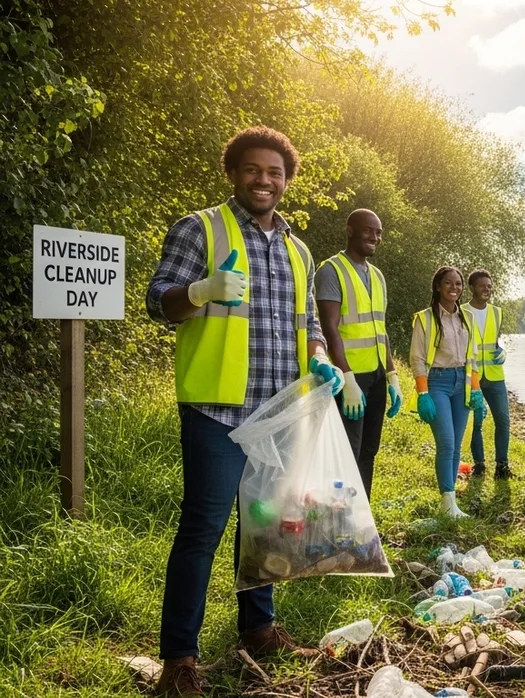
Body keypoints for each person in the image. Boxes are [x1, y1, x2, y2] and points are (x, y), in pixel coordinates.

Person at [147, 126, 339, 696]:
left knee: (266, 526)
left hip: (279, 409)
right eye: (254, 170)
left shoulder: (298, 250)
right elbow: (159, 302)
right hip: (216, 408)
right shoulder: (199, 229)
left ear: (287, 180)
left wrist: (323, 358)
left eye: (275, 172)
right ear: (234, 172)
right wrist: (202, 291)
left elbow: (307, 324)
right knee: (203, 529)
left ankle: (258, 627)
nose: (265, 180)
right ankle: (179, 659)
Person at [315, 209, 402, 498]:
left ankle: (360, 515)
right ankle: (338, 517)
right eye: (368, 230)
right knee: (346, 451)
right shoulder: (331, 270)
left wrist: (392, 375)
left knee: (368, 451)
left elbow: (381, 330)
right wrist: (348, 379)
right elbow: (329, 329)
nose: (374, 237)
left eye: (378, 232)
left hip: (376, 376)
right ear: (350, 230)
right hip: (350, 379)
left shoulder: (377, 276)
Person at [411, 266, 486, 519]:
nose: (454, 288)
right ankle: (446, 501)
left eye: (458, 284)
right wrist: (423, 394)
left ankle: (450, 503)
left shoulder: (468, 318)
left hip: (461, 384)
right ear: (438, 287)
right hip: (438, 383)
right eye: (448, 283)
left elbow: (472, 357)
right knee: (446, 443)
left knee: (456, 446)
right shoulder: (425, 318)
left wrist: (476, 390)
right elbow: (418, 359)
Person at [465, 269, 511, 480]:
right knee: (476, 422)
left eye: (490, 286)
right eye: (482, 286)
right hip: (471, 375)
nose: (487, 289)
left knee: (503, 421)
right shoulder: (461, 311)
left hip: (495, 374)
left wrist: (502, 349)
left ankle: (502, 466)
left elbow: (494, 339)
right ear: (472, 288)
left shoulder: (497, 312)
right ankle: (479, 465)